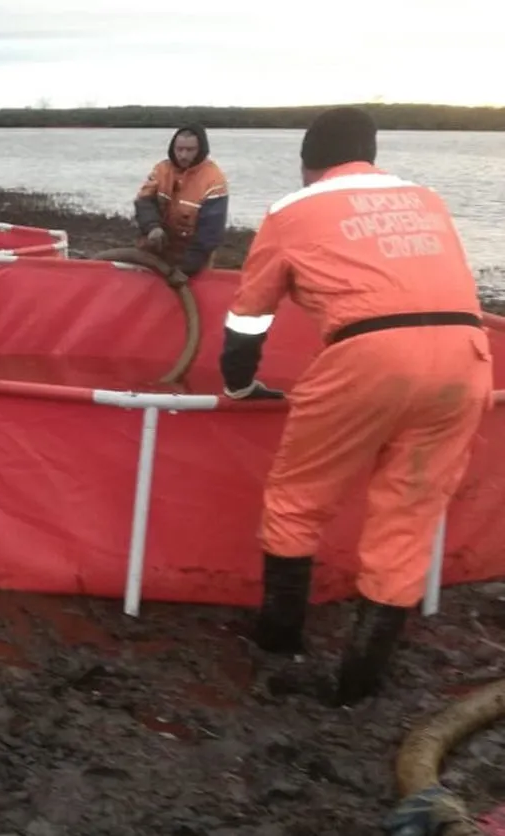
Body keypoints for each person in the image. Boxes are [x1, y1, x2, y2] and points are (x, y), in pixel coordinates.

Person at [218, 106, 492, 705]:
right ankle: (361, 678)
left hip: (367, 357)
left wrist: (238, 383)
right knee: (409, 516)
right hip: (465, 356)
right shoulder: (428, 199)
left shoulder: (292, 210)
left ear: (306, 160)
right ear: (371, 153)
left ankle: (279, 639)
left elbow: (249, 313)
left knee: (298, 498)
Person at [133, 124, 230, 277]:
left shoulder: (214, 180)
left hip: (193, 257)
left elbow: (210, 233)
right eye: (179, 149)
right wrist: (152, 227)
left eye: (190, 150)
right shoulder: (162, 169)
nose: (183, 155)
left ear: (201, 150)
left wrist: (186, 268)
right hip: (155, 249)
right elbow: (144, 201)